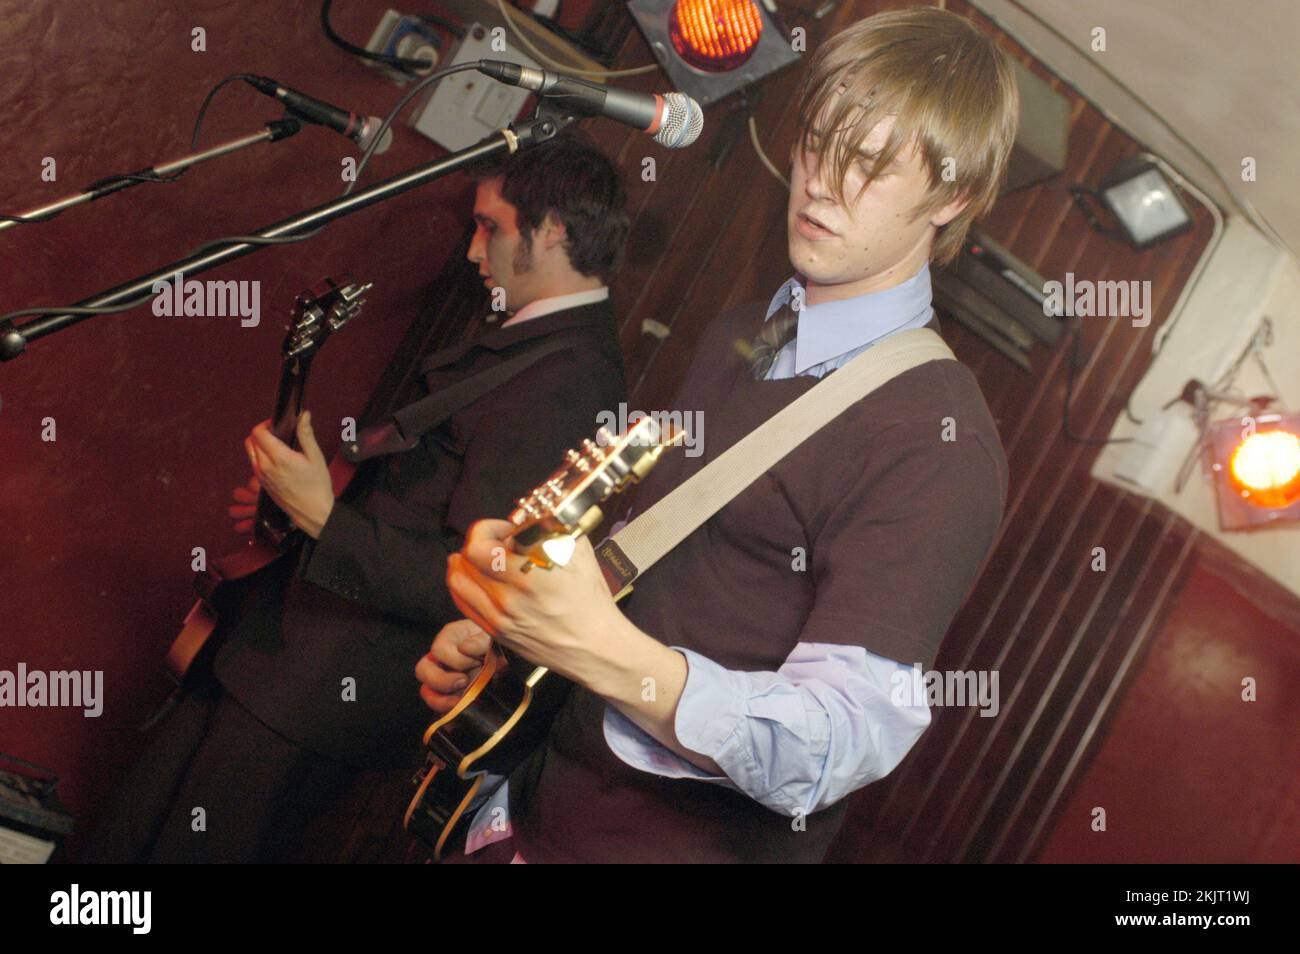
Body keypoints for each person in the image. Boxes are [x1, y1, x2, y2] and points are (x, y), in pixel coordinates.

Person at [416, 7, 1019, 863]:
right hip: (530, 806)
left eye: (871, 164)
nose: (821, 181)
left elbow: (833, 746)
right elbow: (659, 561)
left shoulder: (937, 441)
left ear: (953, 197)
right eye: (817, 141)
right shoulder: (746, 330)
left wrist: (595, 647)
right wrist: (515, 639)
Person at [84, 130, 630, 863]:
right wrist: (300, 512)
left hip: (322, 696)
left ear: (554, 230)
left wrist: (324, 519)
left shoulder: (572, 375)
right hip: (282, 659)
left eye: (491, 227)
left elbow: (481, 583)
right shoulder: (527, 339)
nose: (474, 251)